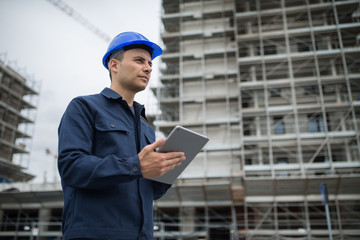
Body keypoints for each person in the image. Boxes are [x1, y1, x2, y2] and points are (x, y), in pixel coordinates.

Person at [57, 31, 186, 240]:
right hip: (94, 234)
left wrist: (165, 171)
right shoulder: (84, 107)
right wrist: (136, 166)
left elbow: (148, 191)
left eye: (150, 63)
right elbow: (72, 167)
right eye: (139, 60)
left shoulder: (146, 127)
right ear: (114, 65)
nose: (148, 68)